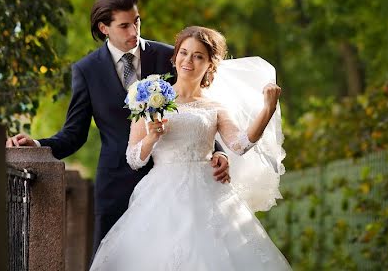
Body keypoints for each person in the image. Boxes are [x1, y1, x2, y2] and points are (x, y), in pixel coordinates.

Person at [5, 0, 230, 252]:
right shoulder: (86, 70)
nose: (134, 31)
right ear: (104, 28)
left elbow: (198, 105)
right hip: (115, 186)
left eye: (136, 21)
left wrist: (219, 152)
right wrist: (38, 145)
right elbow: (74, 134)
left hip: (173, 187)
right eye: (124, 26)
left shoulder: (171, 57)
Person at [89, 25, 292, 271]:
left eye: (198, 56)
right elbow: (134, 159)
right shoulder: (147, 97)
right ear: (174, 58)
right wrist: (152, 138)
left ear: (210, 65)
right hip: (162, 194)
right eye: (184, 53)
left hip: (211, 193)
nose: (189, 60)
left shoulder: (214, 105)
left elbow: (240, 145)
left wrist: (267, 110)